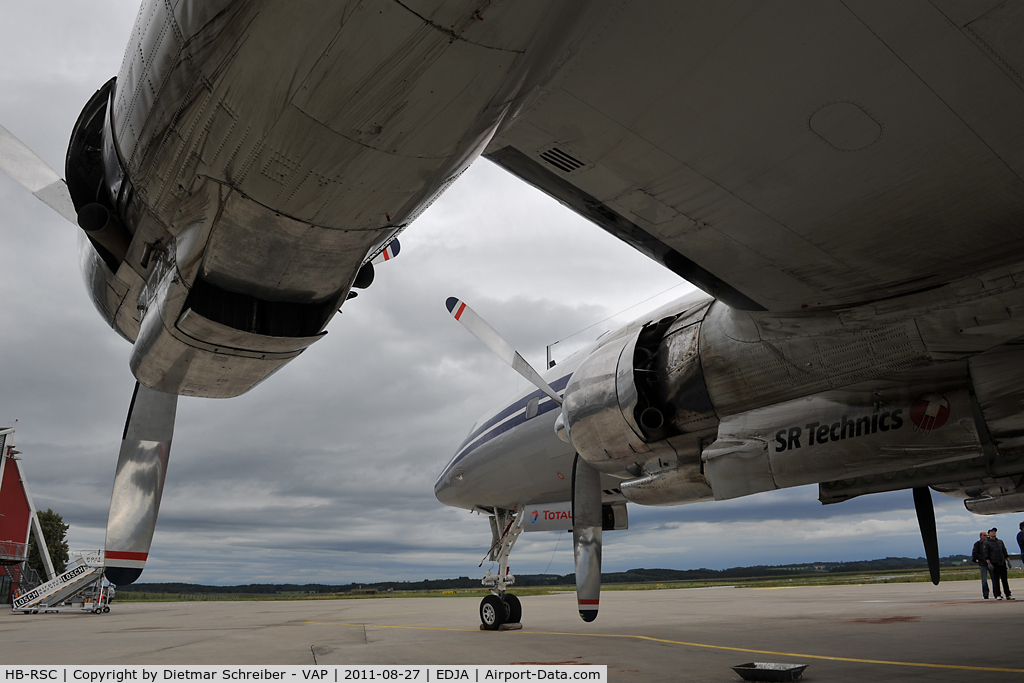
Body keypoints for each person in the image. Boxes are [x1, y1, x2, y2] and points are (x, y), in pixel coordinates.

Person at [984, 528, 1014, 600]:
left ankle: (1008, 594)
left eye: (994, 532)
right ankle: (997, 594)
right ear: (989, 534)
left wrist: (1008, 560)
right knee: (995, 579)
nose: (994, 533)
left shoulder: (1000, 542)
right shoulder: (987, 543)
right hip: (994, 563)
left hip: (1002, 562)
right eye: (992, 532)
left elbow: (1004, 550)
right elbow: (986, 553)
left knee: (1005, 579)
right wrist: (989, 563)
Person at [973, 531, 991, 599]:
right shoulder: (977, 544)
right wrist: (982, 559)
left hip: (990, 563)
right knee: (984, 580)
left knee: (994, 578)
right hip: (983, 563)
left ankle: (997, 593)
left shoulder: (989, 543)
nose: (986, 537)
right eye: (984, 535)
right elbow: (975, 553)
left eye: (986, 535)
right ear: (981, 536)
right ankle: (986, 594)